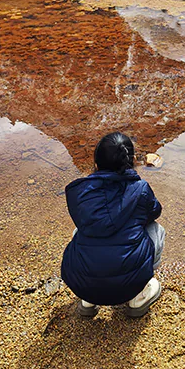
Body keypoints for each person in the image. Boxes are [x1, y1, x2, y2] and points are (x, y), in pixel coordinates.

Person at [61, 132, 164, 319]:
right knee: (156, 230)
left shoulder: (79, 191)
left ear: (96, 164)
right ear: (131, 160)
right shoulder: (140, 189)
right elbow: (155, 212)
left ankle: (88, 302)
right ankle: (138, 297)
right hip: (128, 286)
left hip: (81, 285)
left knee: (80, 231)